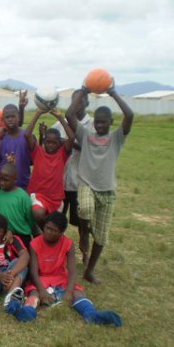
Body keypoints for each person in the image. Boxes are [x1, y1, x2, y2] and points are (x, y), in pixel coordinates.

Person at [66, 83, 134, 284]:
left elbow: (129, 116)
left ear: (111, 122)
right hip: (86, 185)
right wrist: (84, 92)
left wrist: (113, 93)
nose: (100, 125)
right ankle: (84, 233)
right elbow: (70, 115)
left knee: (102, 238)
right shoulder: (86, 135)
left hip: (107, 191)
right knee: (85, 209)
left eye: (104, 122)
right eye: (97, 122)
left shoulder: (116, 138)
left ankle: (89, 270)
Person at [4, 212, 122, 327]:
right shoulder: (34, 243)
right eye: (47, 228)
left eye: (54, 230)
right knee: (34, 294)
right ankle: (27, 312)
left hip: (60, 278)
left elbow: (72, 270)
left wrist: (69, 291)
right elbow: (33, 271)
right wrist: (42, 291)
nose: (48, 232)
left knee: (78, 293)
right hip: (41, 279)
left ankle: (91, 315)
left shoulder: (68, 244)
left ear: (62, 232)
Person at [51, 90, 94, 254]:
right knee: (57, 219)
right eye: (74, 100)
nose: (77, 103)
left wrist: (68, 142)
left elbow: (90, 147)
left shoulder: (92, 124)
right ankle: (55, 251)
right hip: (60, 181)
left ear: (87, 103)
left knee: (80, 220)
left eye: (81, 100)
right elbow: (50, 144)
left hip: (79, 181)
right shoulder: (59, 125)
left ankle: (85, 246)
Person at [25, 109, 74, 228]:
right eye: (48, 142)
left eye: (54, 142)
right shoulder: (37, 152)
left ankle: (46, 234)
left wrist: (60, 118)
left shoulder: (62, 155)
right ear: (44, 142)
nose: (51, 145)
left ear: (60, 143)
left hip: (56, 198)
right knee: (38, 214)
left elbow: (72, 138)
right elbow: (27, 134)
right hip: (39, 195)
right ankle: (43, 232)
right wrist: (37, 113)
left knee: (57, 227)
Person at [0, 163, 34, 249]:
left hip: (22, 236)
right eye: (0, 179)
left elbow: (30, 218)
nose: (2, 182)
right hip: (2, 236)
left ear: (15, 180)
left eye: (6, 180)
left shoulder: (22, 196)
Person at [0, 104, 34, 190]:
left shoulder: (27, 136)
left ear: (19, 117)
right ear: (3, 120)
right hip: (3, 185)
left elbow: (33, 159)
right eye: (7, 117)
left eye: (13, 116)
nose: (10, 119)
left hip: (23, 184)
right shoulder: (0, 138)